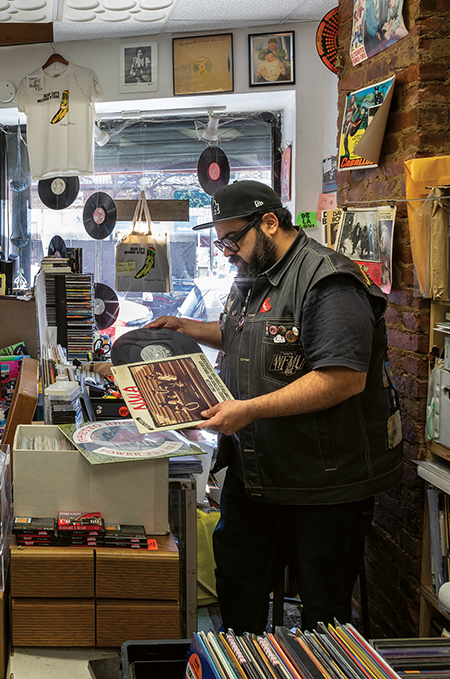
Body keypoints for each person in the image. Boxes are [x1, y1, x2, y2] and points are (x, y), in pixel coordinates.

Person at [146, 181, 401, 633]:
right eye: (220, 241)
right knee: (237, 584)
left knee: (323, 614)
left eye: (232, 239)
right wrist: (187, 328)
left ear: (269, 222)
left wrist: (248, 410)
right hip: (256, 471)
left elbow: (343, 378)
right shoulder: (253, 275)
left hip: (323, 483)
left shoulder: (329, 280)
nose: (226, 251)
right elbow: (241, 336)